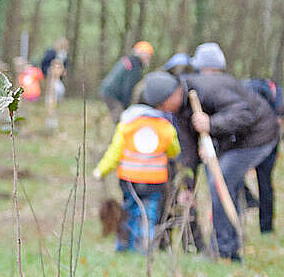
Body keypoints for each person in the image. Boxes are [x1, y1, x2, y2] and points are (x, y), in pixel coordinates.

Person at [174, 43, 280, 262]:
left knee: (220, 181)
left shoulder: (218, 87)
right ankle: (228, 246)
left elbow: (244, 117)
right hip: (236, 143)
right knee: (221, 180)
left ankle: (224, 249)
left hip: (258, 138)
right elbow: (190, 147)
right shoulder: (198, 90)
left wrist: (211, 125)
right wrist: (188, 184)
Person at [92, 72, 181, 253]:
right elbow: (174, 151)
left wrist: (100, 170)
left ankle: (123, 246)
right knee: (148, 215)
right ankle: (143, 249)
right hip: (154, 182)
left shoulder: (127, 124)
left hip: (129, 180)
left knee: (128, 211)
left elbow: (115, 152)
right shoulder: (165, 126)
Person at [242, 77, 281, 233]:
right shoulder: (272, 98)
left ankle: (264, 225)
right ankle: (266, 228)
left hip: (264, 143)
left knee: (260, 183)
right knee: (265, 184)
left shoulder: (247, 94)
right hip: (267, 142)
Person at [100, 42, 154, 118]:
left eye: (149, 56)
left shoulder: (128, 60)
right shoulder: (135, 67)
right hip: (113, 95)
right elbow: (128, 88)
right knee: (122, 119)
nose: (148, 58)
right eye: (147, 55)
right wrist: (127, 108)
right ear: (140, 53)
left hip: (108, 91)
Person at [37, 37, 70, 104]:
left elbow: (65, 63)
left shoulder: (64, 54)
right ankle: (49, 101)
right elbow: (44, 62)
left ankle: (56, 101)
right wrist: (48, 70)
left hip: (58, 75)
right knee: (50, 87)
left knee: (57, 88)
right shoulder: (51, 52)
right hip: (48, 73)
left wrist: (63, 70)